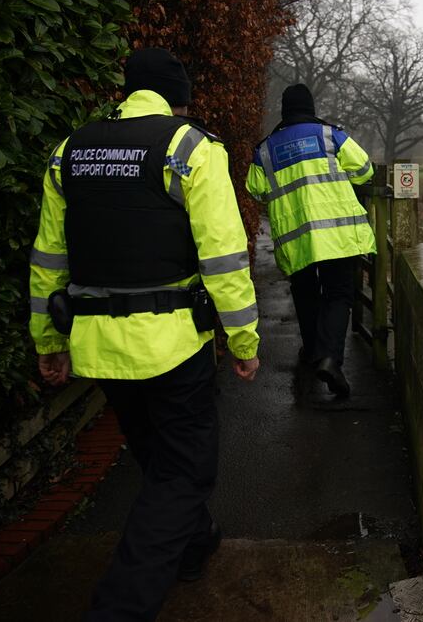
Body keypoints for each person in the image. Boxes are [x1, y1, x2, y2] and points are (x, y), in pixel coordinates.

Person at [28, 48, 261, 620]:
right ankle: (120, 607)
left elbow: (48, 258)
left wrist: (48, 342)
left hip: (94, 346)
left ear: (127, 93)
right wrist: (244, 340)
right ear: (179, 100)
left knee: (159, 457)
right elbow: (225, 259)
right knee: (185, 470)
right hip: (171, 346)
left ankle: (195, 543)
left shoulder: (69, 152)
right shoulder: (190, 149)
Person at [246, 84, 375, 398]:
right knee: (338, 293)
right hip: (337, 233)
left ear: (284, 110)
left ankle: (315, 352)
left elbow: (255, 188)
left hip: (296, 239)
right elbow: (364, 170)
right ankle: (330, 357)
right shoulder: (331, 136)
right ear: (311, 106)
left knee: (304, 292)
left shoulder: (265, 149)